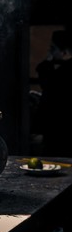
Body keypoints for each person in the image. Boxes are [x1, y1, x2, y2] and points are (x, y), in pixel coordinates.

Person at [35, 29, 72, 157]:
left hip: (60, 131)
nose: (49, 52)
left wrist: (48, 60)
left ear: (65, 52)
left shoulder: (63, 73)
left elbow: (48, 86)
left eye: (52, 48)